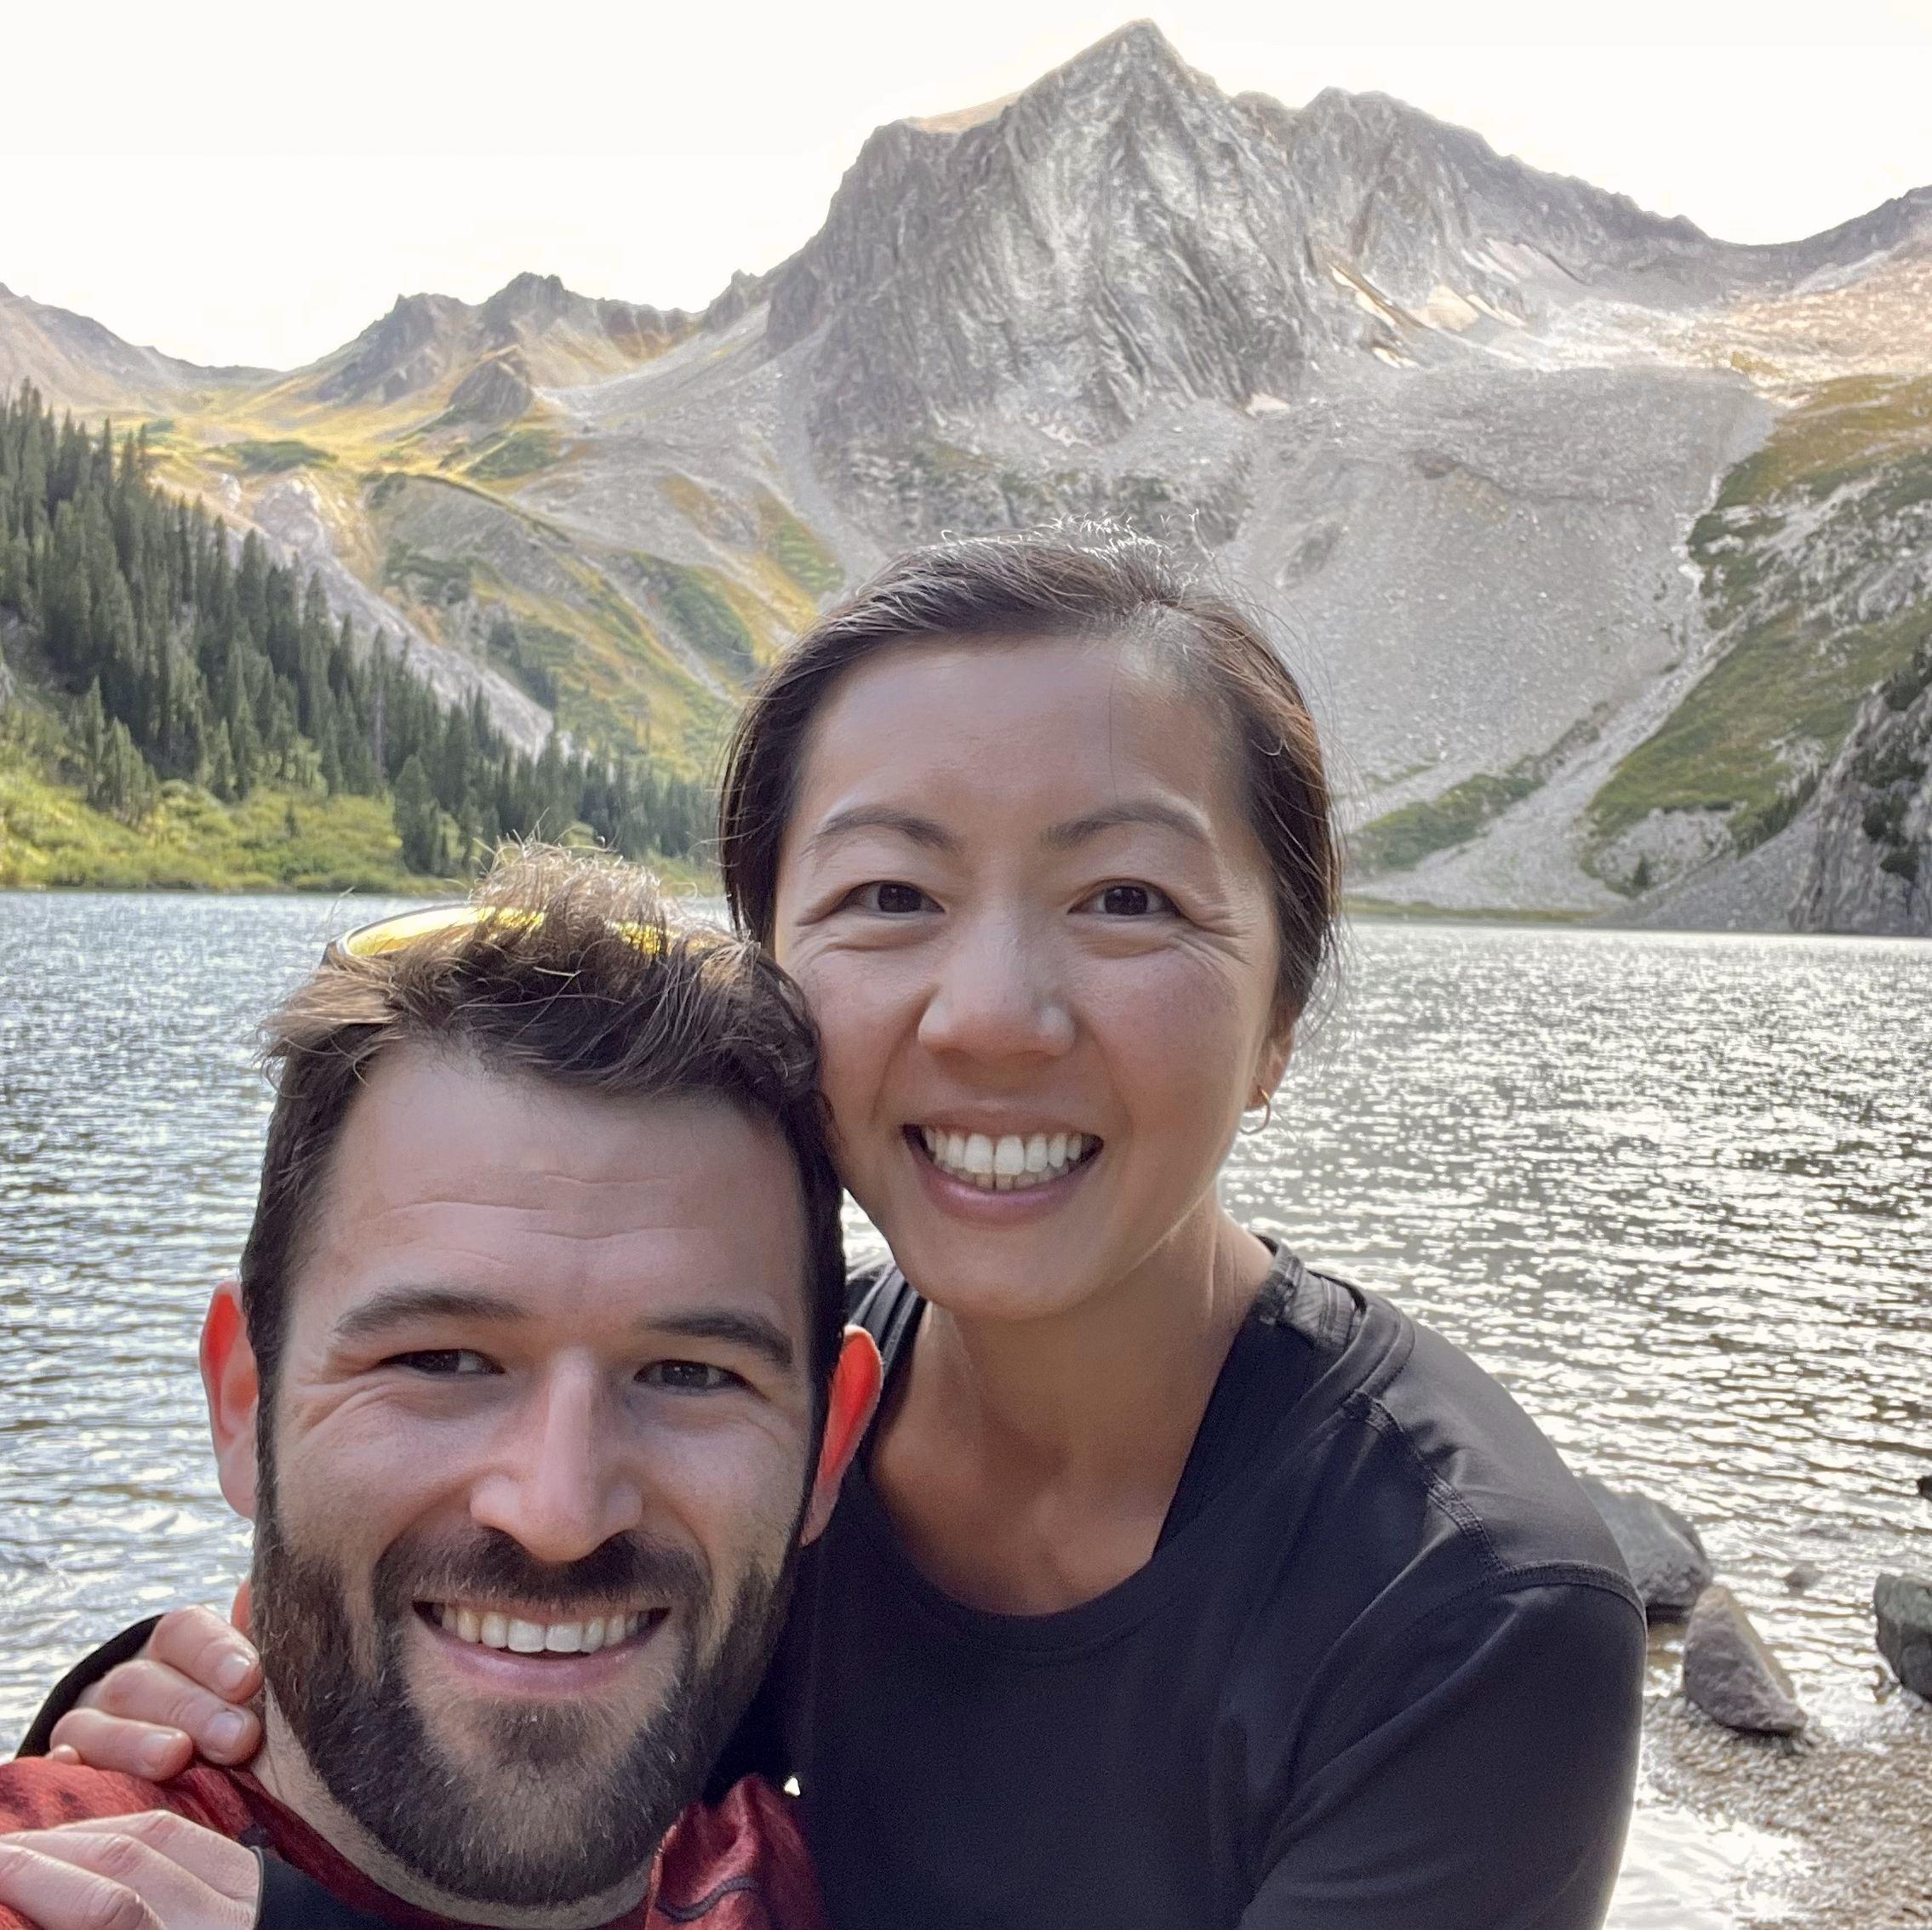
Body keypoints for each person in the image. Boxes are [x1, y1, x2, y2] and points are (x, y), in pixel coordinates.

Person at [25, 528, 1647, 1929]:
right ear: (777, 980)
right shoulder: (723, 1381)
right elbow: (418, 1641)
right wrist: (174, 1709)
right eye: (889, 895)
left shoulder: (1461, 1606)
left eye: (1128, 897)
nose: (998, 1012)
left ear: (1283, 1013)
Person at [0, 849, 880, 1930]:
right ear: (243, 1399)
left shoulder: (868, 1876)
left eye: (691, 1374)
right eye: (440, 1362)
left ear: (827, 1446)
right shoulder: (60, 1882)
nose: (557, 1514)